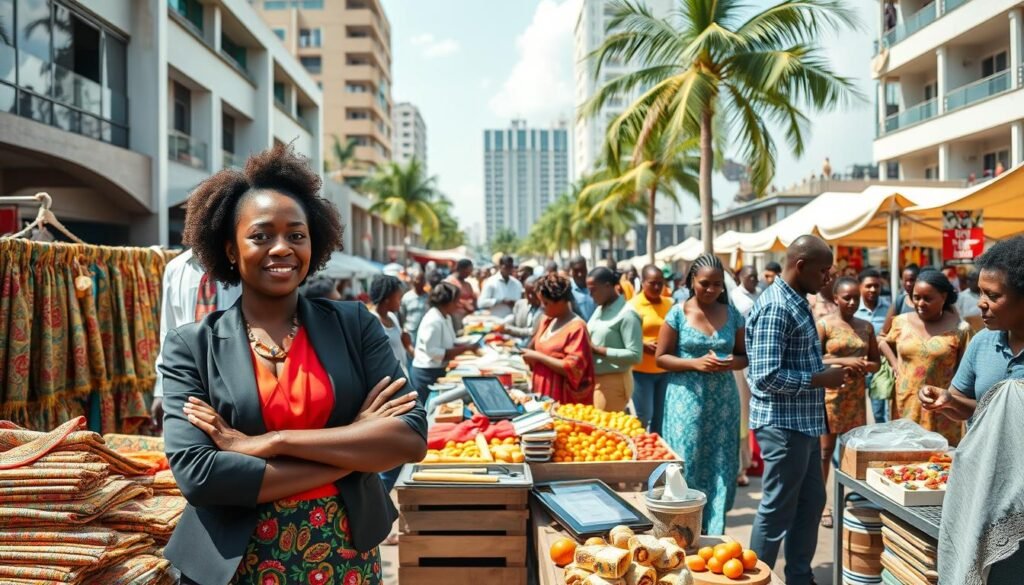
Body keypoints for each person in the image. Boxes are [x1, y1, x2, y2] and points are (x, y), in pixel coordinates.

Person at [161, 144, 427, 585]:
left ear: (313, 242)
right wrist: (353, 449)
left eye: (296, 235)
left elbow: (409, 438)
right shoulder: (191, 346)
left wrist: (273, 441)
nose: (282, 248)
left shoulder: (354, 324)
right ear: (230, 248)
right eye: (262, 235)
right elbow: (200, 475)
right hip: (235, 563)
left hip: (344, 555)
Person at [746, 235, 848, 585]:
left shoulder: (797, 300)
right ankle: (756, 577)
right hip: (782, 425)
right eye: (823, 270)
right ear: (800, 265)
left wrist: (829, 369)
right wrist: (821, 379)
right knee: (776, 512)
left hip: (801, 424)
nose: (827, 278)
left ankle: (800, 577)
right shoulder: (777, 306)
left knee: (810, 504)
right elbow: (765, 375)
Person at [655, 254, 748, 535]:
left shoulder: (733, 315)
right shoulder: (677, 313)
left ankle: (713, 531)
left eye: (717, 285)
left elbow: (744, 357)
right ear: (692, 281)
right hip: (686, 400)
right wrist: (694, 363)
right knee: (687, 461)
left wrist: (729, 362)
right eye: (704, 283)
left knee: (721, 462)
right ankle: (681, 530)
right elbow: (661, 358)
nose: (710, 290)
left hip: (723, 402)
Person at [920, 237, 1024, 423]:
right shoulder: (982, 341)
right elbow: (973, 409)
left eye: (993, 296)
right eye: (980, 292)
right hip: (981, 453)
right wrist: (949, 401)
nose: (980, 303)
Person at [152, 248, 242, 431]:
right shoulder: (175, 268)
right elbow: (167, 332)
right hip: (187, 380)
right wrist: (160, 390)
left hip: (236, 381)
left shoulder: (242, 265)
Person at [816, 277, 880, 529]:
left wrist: (864, 365)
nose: (853, 302)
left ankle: (852, 500)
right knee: (824, 453)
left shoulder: (866, 326)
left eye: (856, 297)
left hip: (855, 397)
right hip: (829, 397)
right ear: (835, 299)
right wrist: (844, 362)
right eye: (847, 298)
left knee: (852, 451)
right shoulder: (824, 325)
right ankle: (822, 505)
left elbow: (876, 361)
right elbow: (814, 359)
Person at [879, 269, 970, 445]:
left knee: (940, 462)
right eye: (916, 297)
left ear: (943, 297)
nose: (920, 303)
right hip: (906, 404)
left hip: (942, 409)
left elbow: (966, 370)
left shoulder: (960, 329)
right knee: (906, 458)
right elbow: (882, 340)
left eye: (928, 298)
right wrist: (895, 364)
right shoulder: (900, 322)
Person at [523, 274, 596, 405]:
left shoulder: (576, 327)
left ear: (562, 302)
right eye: (541, 302)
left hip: (562, 399)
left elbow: (573, 368)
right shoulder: (547, 320)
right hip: (542, 393)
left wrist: (538, 357)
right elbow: (535, 345)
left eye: (546, 303)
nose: (542, 307)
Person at [587, 267, 644, 412]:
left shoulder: (627, 314)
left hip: (614, 381)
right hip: (596, 380)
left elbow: (635, 355)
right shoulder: (601, 308)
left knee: (604, 430)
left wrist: (599, 350)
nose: (590, 294)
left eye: (593, 289)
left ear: (607, 286)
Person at [410, 282, 477, 405]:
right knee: (428, 409)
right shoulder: (433, 320)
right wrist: (466, 348)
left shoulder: (445, 316)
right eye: (456, 301)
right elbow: (434, 353)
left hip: (438, 369)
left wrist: (468, 343)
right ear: (448, 302)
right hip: (427, 373)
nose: (458, 305)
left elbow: (451, 342)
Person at [629, 265, 673, 433]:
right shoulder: (633, 306)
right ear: (642, 282)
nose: (656, 287)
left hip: (664, 370)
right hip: (641, 371)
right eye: (652, 283)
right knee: (644, 415)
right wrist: (642, 345)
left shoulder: (669, 304)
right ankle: (641, 452)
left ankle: (658, 453)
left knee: (661, 417)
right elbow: (625, 337)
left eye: (660, 283)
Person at [729, 264, 760, 486]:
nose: (754, 280)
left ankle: (742, 465)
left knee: (742, 416)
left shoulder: (759, 296)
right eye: (750, 276)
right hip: (729, 367)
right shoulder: (733, 298)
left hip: (744, 365)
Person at [855, 268, 891, 424]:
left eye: (876, 286)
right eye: (868, 286)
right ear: (860, 287)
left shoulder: (889, 308)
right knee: (855, 411)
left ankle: (882, 444)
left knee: (880, 412)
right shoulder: (852, 308)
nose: (873, 289)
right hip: (859, 365)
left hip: (881, 366)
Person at [370, 275, 414, 372]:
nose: (401, 302)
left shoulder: (392, 316)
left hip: (403, 373)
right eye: (398, 298)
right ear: (387, 299)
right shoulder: (372, 322)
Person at [883, 264, 922, 334]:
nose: (908, 284)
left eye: (912, 280)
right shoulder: (900, 302)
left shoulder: (927, 302)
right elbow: (883, 333)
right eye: (905, 280)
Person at [506, 275, 543, 340]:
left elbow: (532, 332)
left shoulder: (546, 310)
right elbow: (511, 323)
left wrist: (509, 330)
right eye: (527, 293)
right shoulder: (520, 304)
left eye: (533, 293)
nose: (530, 296)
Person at [446, 259, 477, 332]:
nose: (469, 274)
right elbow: (448, 299)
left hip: (468, 317)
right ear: (460, 269)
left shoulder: (467, 284)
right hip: (455, 317)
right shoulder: (449, 282)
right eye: (467, 271)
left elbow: (472, 297)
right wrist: (464, 304)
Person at [400, 270, 429, 345]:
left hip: (426, 334)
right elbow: (401, 318)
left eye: (422, 280)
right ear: (413, 280)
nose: (420, 282)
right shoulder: (406, 298)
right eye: (418, 279)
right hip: (411, 335)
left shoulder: (429, 298)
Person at [569, 256, 597, 320]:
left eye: (582, 270)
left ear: (586, 269)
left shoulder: (595, 287)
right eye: (576, 271)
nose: (580, 274)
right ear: (571, 271)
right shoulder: (568, 290)